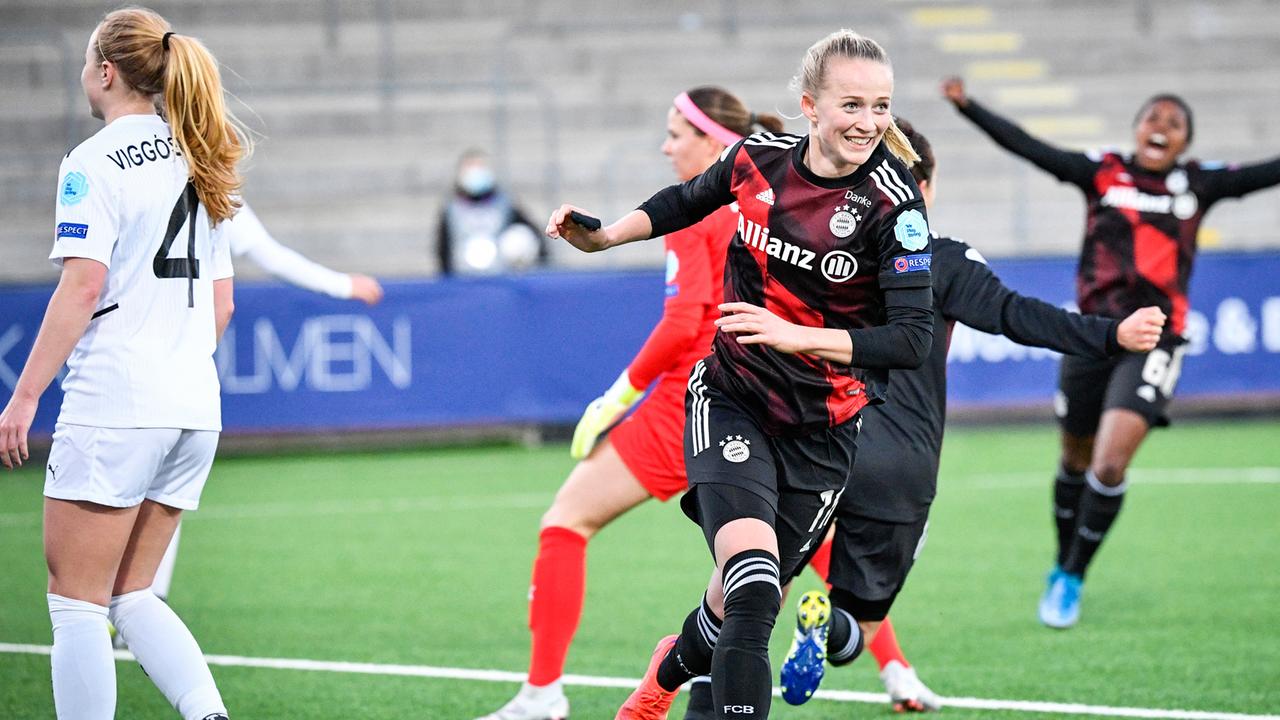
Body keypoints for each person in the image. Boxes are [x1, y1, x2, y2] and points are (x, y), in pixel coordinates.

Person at [548, 29, 936, 720]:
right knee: (755, 590)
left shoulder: (893, 204)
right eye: (853, 105)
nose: (869, 122)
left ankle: (660, 680)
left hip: (825, 433)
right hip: (734, 400)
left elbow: (911, 339)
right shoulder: (755, 161)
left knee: (728, 607)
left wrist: (796, 335)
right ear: (811, 107)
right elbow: (684, 199)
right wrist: (605, 236)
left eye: (882, 107)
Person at [766, 119, 1165, 713]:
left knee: (750, 594)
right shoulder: (938, 257)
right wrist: (1112, 335)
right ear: (921, 186)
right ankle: (827, 633)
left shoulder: (806, 246)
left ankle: (710, 687)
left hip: (809, 440)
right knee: (862, 626)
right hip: (897, 464)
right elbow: (1015, 315)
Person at [475, 86, 784, 720]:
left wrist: (615, 395)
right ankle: (892, 667)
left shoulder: (698, 202)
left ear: (710, 140)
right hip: (757, 395)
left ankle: (543, 695)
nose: (666, 146)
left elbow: (684, 321)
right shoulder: (764, 199)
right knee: (781, 551)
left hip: (691, 400)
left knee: (565, 522)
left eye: (676, 133)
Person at [941, 76, 1280, 628]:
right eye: (1153, 116)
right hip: (1092, 335)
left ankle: (1072, 575)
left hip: (1156, 338)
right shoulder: (1103, 171)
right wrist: (968, 107)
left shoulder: (1198, 184)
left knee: (1108, 462)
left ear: (1184, 142)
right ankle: (1061, 559)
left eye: (1174, 122)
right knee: (1073, 460)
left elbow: (1267, 172)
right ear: (1136, 128)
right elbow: (1032, 149)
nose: (1161, 126)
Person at [0, 8, 248, 718]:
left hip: (117, 402)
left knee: (76, 603)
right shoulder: (201, 155)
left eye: (86, 62)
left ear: (105, 72)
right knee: (131, 593)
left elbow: (82, 286)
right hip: (194, 406)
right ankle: (208, 715)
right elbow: (222, 307)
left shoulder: (91, 162)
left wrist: (24, 396)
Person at [134, 199, 384, 632]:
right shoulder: (213, 184)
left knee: (121, 494)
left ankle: (106, 609)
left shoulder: (121, 168)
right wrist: (340, 285)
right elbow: (254, 270)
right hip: (186, 369)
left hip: (129, 355)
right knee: (163, 493)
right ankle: (142, 607)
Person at [437, 149, 545, 275]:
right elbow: (443, 247)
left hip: (500, 273)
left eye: (480, 167)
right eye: (471, 167)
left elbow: (532, 233)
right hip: (463, 274)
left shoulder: (505, 204)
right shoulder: (451, 209)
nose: (476, 173)